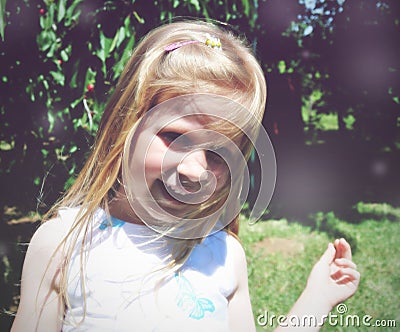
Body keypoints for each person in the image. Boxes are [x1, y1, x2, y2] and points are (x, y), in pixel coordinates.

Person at [11, 21, 360, 332]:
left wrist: (316, 300)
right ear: (125, 124)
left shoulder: (224, 256)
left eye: (217, 153)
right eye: (174, 137)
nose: (195, 171)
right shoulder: (62, 245)